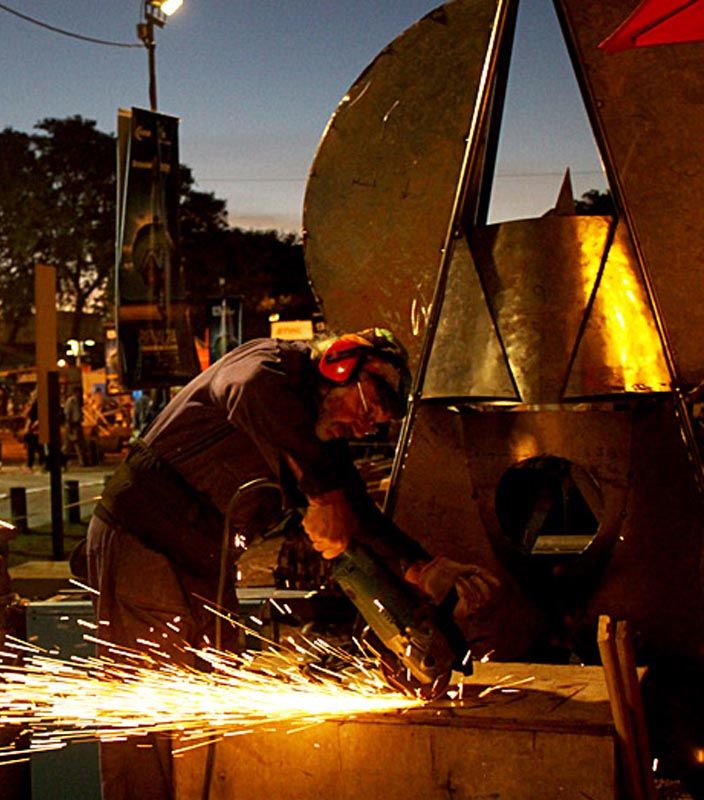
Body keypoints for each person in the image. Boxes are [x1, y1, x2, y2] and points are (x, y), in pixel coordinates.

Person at [84, 330, 500, 800]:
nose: (365, 425)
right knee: (148, 712)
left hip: (203, 558)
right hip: (144, 537)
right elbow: (247, 390)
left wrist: (423, 568)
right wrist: (323, 495)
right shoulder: (270, 367)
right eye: (367, 406)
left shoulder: (318, 443)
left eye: (376, 422)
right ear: (338, 365)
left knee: (206, 698)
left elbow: (359, 516)